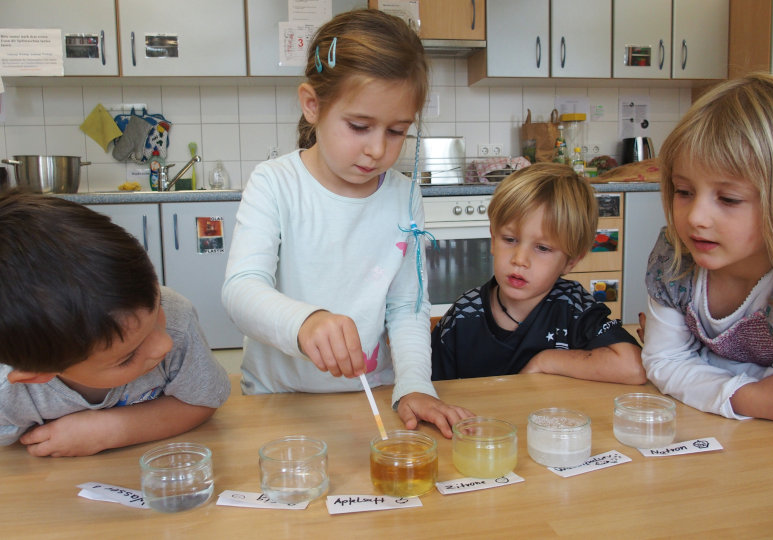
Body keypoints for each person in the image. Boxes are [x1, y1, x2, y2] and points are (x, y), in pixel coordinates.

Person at [222, 9, 472, 438]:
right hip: (278, 402)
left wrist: (413, 385)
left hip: (371, 397)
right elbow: (241, 290)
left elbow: (407, 307)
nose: (377, 149)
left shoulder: (403, 193)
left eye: (397, 132)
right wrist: (305, 323)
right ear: (312, 105)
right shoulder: (276, 183)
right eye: (359, 126)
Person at [0, 191, 231, 457]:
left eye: (157, 309)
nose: (163, 344)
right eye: (128, 356)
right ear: (38, 374)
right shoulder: (7, 391)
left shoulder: (177, 317)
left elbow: (204, 400)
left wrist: (111, 430)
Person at [641, 72, 773, 422]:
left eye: (729, 198)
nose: (696, 218)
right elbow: (662, 362)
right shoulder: (674, 258)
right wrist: (753, 393)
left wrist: (702, 367)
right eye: (684, 191)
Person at [431, 163, 645, 383]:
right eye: (510, 239)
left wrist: (545, 361)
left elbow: (633, 367)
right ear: (493, 240)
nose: (519, 260)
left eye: (542, 248)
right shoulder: (463, 315)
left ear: (570, 262)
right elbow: (431, 390)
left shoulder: (573, 307)